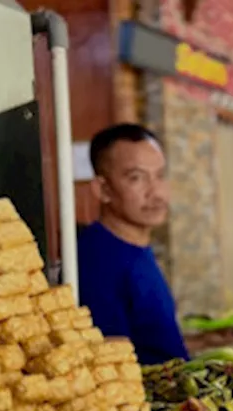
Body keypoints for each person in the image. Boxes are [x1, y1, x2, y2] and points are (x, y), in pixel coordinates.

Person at [77, 123, 188, 365]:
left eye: (159, 175)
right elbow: (113, 367)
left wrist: (207, 340)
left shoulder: (136, 248)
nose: (155, 192)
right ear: (103, 189)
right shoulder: (96, 261)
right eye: (136, 178)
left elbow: (149, 344)